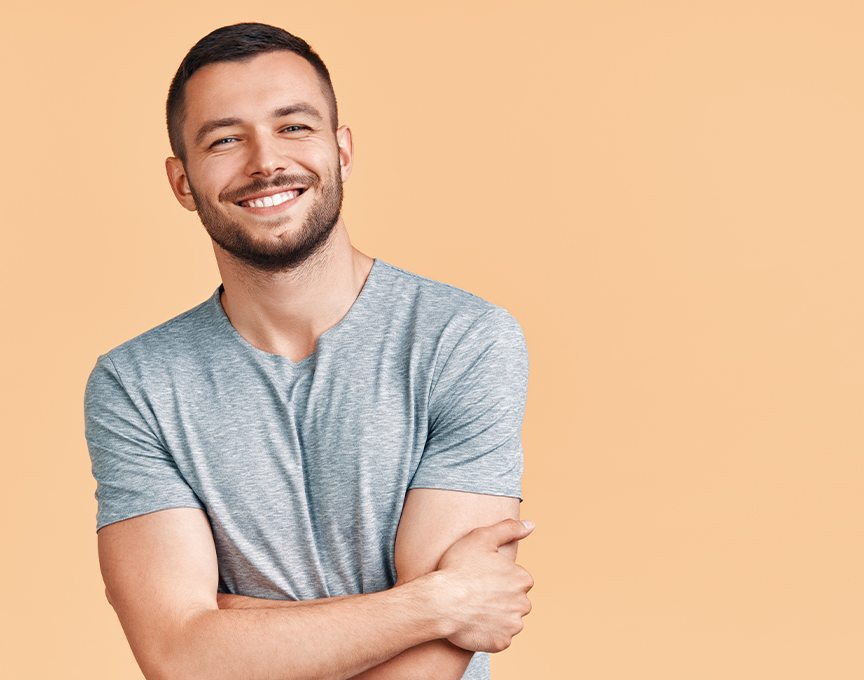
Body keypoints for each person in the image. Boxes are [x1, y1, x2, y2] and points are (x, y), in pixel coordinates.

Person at [84, 22, 533, 680]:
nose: (266, 161)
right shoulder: (137, 385)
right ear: (182, 182)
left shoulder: (461, 339)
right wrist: (438, 601)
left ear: (341, 151)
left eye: (293, 127)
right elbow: (180, 659)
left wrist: (241, 636)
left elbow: (424, 673)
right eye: (226, 139)